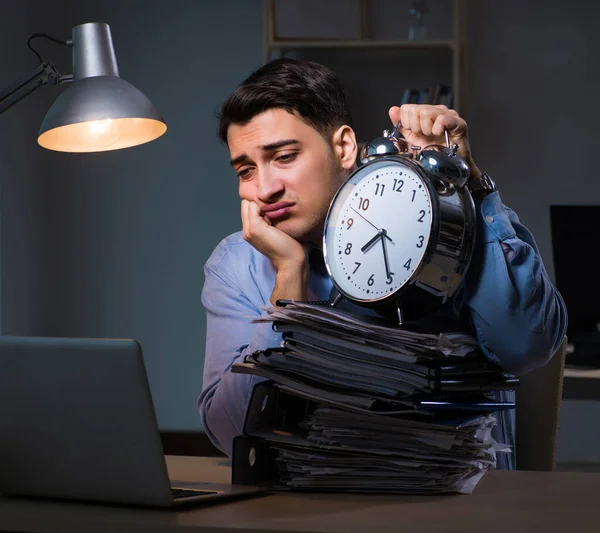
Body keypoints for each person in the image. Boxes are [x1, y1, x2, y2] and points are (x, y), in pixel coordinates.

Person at [197, 57, 567, 469]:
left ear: (343, 147)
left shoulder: (444, 221)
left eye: (284, 156)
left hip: (456, 502)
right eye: (246, 170)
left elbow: (525, 347)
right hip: (314, 506)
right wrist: (289, 277)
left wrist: (472, 187)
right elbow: (234, 430)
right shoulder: (236, 262)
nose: (264, 189)